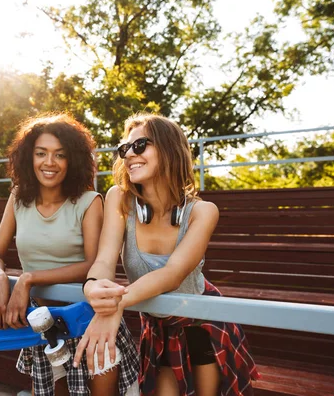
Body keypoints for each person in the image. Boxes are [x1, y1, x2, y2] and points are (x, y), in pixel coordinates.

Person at [73, 113, 260, 396]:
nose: (129, 155)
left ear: (168, 148)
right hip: (159, 327)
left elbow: (172, 275)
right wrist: (93, 287)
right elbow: (104, 260)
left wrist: (115, 305)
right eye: (125, 149)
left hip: (202, 325)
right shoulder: (119, 198)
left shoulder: (202, 211)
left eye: (140, 146)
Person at [0, 113, 139, 396]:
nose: (49, 162)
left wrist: (28, 278)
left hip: (86, 318)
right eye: (41, 153)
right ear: (29, 158)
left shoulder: (89, 201)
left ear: (73, 160)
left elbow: (92, 264)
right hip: (42, 321)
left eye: (60, 155)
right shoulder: (18, 197)